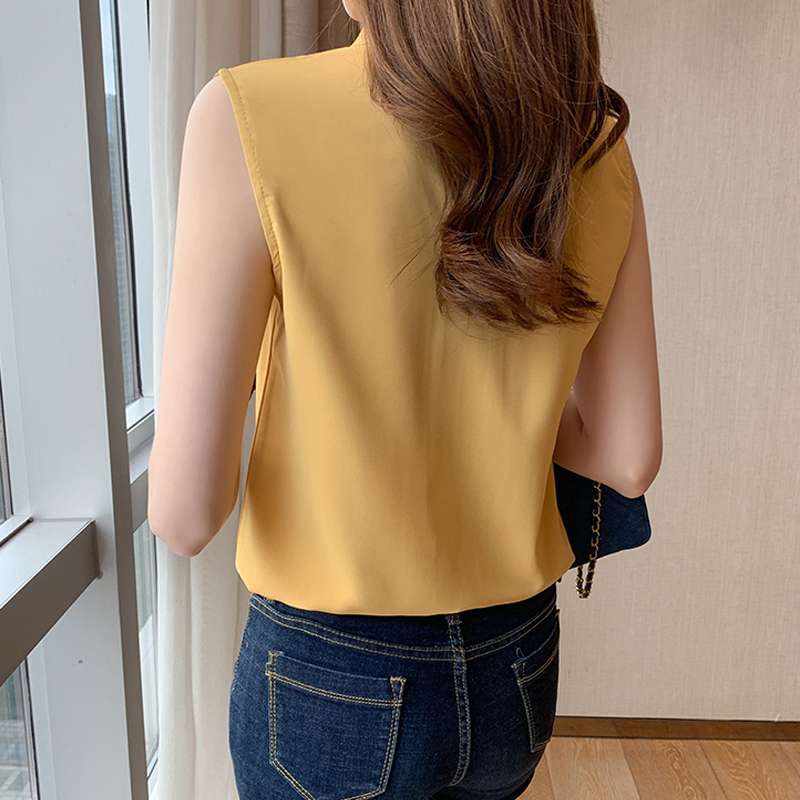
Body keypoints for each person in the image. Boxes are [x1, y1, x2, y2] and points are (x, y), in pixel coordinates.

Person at [148, 1, 662, 797]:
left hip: (328, 675)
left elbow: (185, 517)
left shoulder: (247, 114)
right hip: (515, 662)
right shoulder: (590, 140)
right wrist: (505, 407)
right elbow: (627, 457)